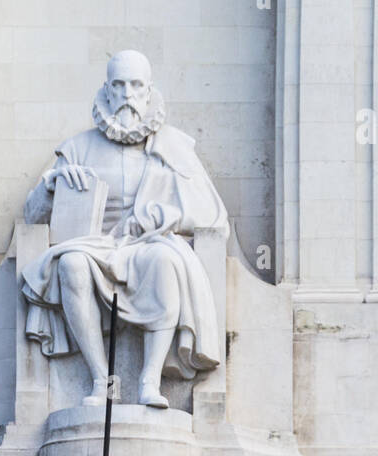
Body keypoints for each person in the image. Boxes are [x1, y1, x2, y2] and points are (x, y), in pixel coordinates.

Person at [21, 49, 228, 408]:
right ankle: (101, 380)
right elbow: (31, 216)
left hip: (147, 244)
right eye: (119, 85)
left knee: (166, 260)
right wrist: (51, 185)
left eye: (136, 85)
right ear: (106, 90)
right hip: (96, 245)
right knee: (70, 263)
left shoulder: (174, 147)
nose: (127, 95)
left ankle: (150, 380)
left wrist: (167, 216)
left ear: (149, 91)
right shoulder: (77, 148)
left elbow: (212, 216)